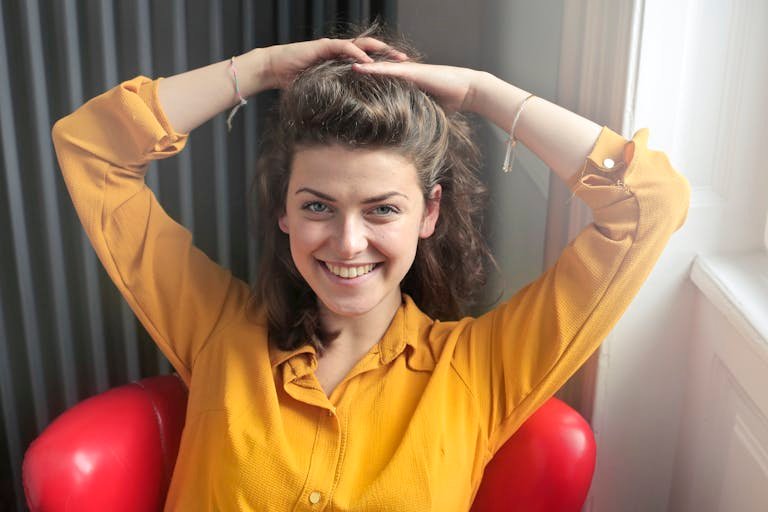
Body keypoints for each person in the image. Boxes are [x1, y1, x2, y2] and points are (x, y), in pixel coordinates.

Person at [52, 23, 689, 512]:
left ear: (428, 212)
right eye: (317, 206)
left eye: (382, 208)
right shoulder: (218, 328)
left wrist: (480, 92)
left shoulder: (482, 369)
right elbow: (91, 145)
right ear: (283, 209)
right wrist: (260, 69)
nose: (348, 242)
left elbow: (649, 203)